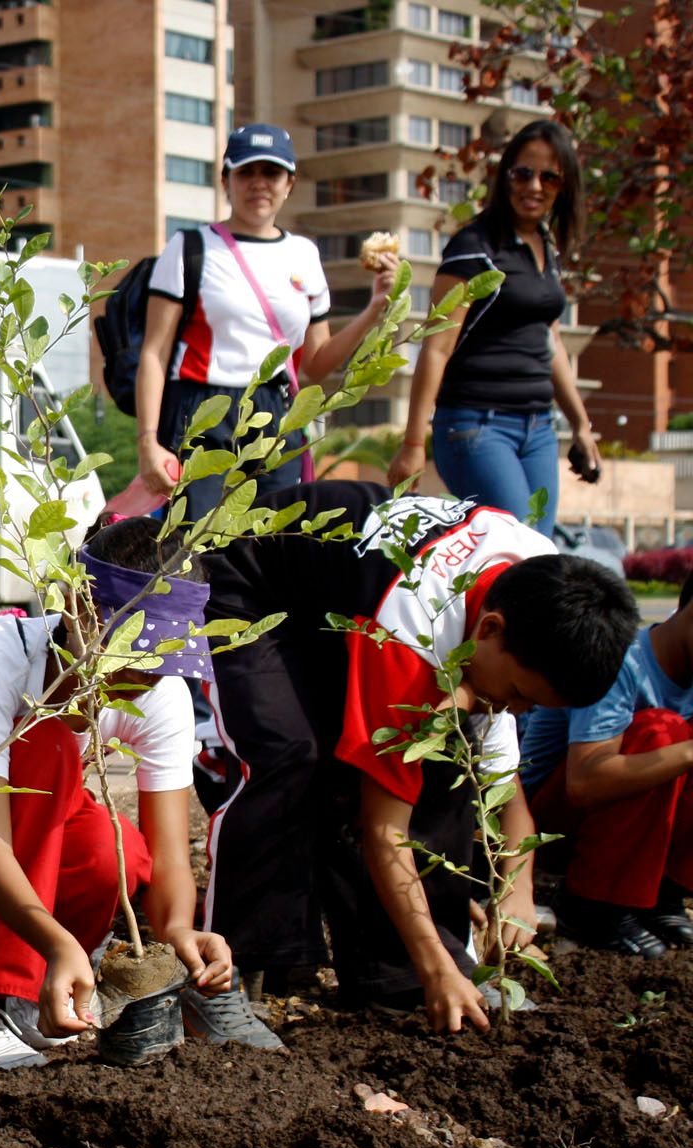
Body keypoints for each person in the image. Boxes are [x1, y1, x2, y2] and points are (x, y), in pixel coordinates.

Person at [200, 482, 637, 1034]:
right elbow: (385, 830)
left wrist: (518, 889)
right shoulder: (415, 634)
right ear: (489, 630)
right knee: (289, 753)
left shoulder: (543, 590)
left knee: (441, 754)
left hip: (349, 597)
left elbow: (505, 791)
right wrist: (439, 968)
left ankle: (396, 975)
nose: (515, 711)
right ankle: (227, 972)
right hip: (255, 581)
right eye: (520, 696)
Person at [0, 518, 261, 1072]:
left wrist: (179, 931)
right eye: (129, 650)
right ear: (77, 605)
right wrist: (59, 942)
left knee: (116, 852)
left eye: (160, 660)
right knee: (45, 742)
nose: (140, 674)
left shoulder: (159, 692)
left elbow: (166, 857)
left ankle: (31, 987)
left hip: (13, 833)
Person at [135, 124, 393, 519]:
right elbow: (154, 353)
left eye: (271, 174)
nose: (259, 184)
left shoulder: (304, 254)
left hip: (277, 412)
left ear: (289, 183)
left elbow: (315, 365)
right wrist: (148, 441)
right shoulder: (189, 247)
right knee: (195, 545)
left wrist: (374, 309)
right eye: (246, 173)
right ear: (226, 180)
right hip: (203, 408)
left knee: (271, 545)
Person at [393, 120, 600, 535]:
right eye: (523, 173)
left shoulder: (546, 247)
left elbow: (551, 341)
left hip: (539, 427)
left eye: (549, 177)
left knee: (535, 551)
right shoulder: (475, 248)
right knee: (514, 543)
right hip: (475, 425)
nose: (534, 186)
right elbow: (436, 347)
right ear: (505, 175)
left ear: (565, 185)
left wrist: (580, 425)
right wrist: (413, 445)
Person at [518, 579, 693, 957]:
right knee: (665, 734)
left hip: (631, 833)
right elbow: (583, 783)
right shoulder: (622, 661)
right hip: (547, 826)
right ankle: (593, 907)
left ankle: (664, 894)